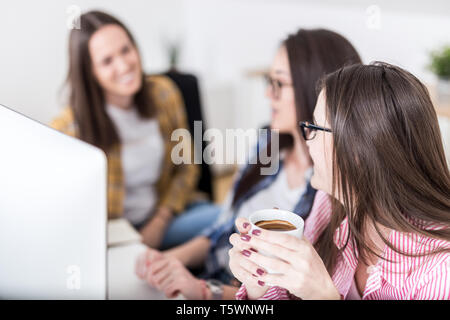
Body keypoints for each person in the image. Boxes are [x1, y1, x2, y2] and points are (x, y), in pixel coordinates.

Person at [135, 29, 362, 299]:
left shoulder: (328, 183)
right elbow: (224, 224)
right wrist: (168, 261)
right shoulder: (270, 142)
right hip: (211, 275)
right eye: (268, 81)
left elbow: (283, 291)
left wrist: (204, 291)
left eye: (279, 83)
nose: (268, 94)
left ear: (315, 91)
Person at [229, 62, 450, 300]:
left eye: (314, 128)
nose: (307, 140)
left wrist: (323, 295)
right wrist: (258, 285)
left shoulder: (440, 273)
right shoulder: (330, 202)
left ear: (358, 147)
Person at [50, 10, 220, 249]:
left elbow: (187, 167)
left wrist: (159, 222)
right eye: (107, 61)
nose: (123, 65)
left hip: (164, 216)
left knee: (230, 218)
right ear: (90, 71)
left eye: (126, 50)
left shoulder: (164, 93)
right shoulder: (68, 129)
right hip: (114, 237)